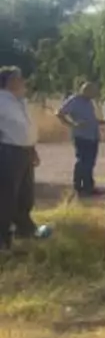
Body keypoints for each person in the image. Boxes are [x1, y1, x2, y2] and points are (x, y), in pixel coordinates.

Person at [0, 67, 45, 247]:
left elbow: (25, 129)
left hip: (24, 152)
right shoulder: (1, 100)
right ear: (9, 82)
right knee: (6, 196)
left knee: (25, 195)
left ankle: (24, 230)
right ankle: (2, 238)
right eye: (19, 78)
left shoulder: (20, 101)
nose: (23, 81)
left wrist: (32, 149)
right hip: (7, 151)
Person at [57, 80, 102, 196]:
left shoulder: (89, 102)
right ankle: (79, 187)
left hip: (92, 135)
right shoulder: (74, 100)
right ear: (85, 90)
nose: (94, 94)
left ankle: (89, 187)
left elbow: (90, 118)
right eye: (92, 91)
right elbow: (60, 113)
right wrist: (73, 124)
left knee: (90, 162)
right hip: (81, 136)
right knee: (82, 161)